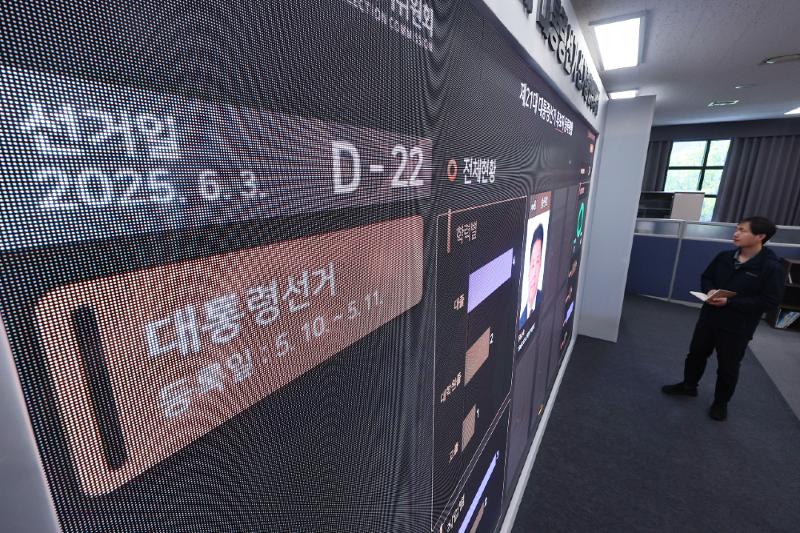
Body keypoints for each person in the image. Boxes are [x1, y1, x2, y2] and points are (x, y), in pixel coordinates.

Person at [662, 216, 784, 421]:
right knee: (696, 354)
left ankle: (721, 403)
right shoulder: (724, 257)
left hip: (737, 326)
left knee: (728, 366)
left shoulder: (771, 267)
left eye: (743, 230)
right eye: (737, 229)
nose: (736, 233)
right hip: (709, 317)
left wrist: (731, 303)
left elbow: (769, 302)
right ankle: (688, 386)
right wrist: (709, 290)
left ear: (760, 236)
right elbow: (707, 277)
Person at [519, 224, 545, 329]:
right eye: (532, 264)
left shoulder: (545, 299)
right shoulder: (520, 321)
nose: (534, 273)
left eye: (538, 262)